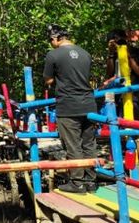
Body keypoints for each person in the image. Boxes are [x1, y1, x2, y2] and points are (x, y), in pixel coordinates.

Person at [43, 24, 97, 193]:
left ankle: (77, 183)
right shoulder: (85, 53)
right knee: (89, 144)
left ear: (54, 38)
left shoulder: (53, 55)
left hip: (68, 105)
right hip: (89, 104)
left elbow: (49, 80)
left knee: (73, 145)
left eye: (50, 40)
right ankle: (91, 181)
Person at [105, 29, 139, 172]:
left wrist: (128, 54)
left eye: (120, 39)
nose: (118, 43)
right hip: (122, 98)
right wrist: (112, 54)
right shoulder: (115, 55)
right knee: (127, 131)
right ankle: (138, 162)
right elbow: (110, 74)